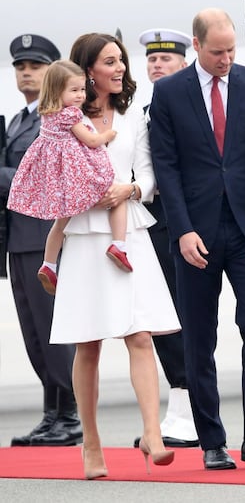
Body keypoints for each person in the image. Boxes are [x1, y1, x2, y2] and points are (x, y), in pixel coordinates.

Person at [150, 8, 245, 470]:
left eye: (231, 50)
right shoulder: (169, 92)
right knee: (198, 336)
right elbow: (166, 167)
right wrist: (183, 228)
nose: (226, 58)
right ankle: (212, 440)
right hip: (195, 232)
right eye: (217, 52)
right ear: (196, 45)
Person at [49, 32, 181, 479]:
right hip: (85, 235)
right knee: (87, 346)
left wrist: (131, 189)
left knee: (140, 336)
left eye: (121, 60)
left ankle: (153, 434)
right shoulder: (64, 118)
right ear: (88, 71)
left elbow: (147, 173)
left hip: (129, 231)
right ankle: (90, 443)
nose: (121, 67)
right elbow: (51, 173)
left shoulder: (130, 116)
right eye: (111, 61)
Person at [0, 34, 82, 447]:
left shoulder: (58, 118)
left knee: (52, 327)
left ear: (53, 70)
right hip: (18, 236)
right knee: (33, 331)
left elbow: (45, 176)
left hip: (44, 233)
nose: (26, 72)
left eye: (34, 65)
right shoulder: (17, 120)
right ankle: (53, 413)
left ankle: (70, 413)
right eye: (19, 66)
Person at [7, 59, 132, 296]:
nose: (80, 96)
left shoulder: (47, 115)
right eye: (74, 90)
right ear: (57, 91)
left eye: (83, 89)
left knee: (60, 224)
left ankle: (49, 264)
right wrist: (109, 133)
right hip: (76, 174)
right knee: (115, 193)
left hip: (58, 181)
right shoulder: (71, 115)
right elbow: (92, 141)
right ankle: (119, 244)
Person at [132, 28, 198, 448]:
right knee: (160, 316)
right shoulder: (141, 110)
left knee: (182, 313)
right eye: (153, 60)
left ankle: (189, 409)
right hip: (150, 221)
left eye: (166, 59)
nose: (157, 65)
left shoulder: (189, 107)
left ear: (184, 63)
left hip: (181, 221)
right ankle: (180, 405)